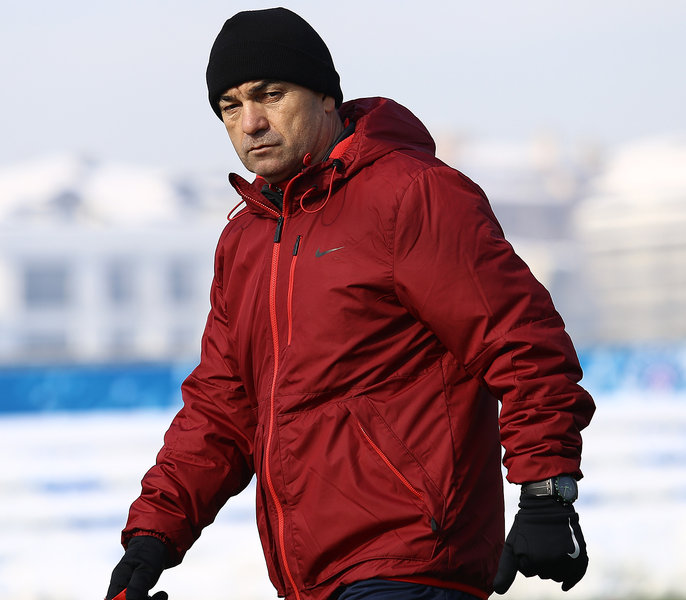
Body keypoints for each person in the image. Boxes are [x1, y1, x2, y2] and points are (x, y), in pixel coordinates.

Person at [105, 7, 595, 600]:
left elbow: (520, 341)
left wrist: (546, 490)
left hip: (410, 560)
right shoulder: (246, 240)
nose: (251, 122)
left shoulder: (411, 195)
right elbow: (221, 409)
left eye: (271, 95)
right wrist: (152, 537)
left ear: (326, 97)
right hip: (311, 577)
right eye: (230, 107)